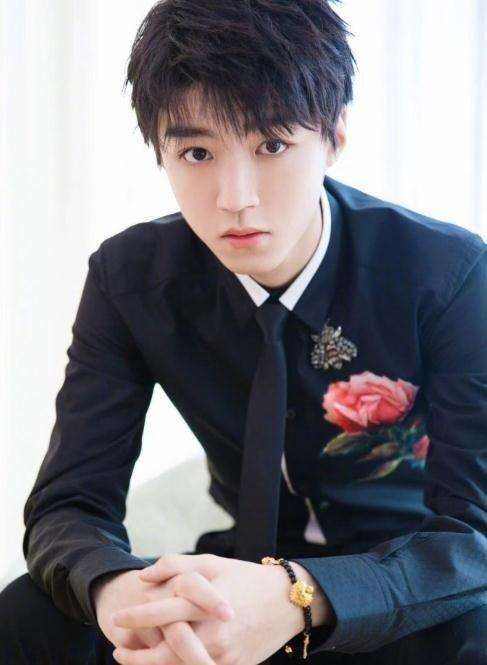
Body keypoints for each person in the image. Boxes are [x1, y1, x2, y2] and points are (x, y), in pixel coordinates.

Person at [2, 1, 487, 663]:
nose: (235, 197)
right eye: (197, 152)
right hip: (234, 575)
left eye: (272, 146)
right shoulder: (129, 278)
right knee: (28, 613)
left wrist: (297, 596)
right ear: (161, 152)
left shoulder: (446, 271)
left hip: (400, 586)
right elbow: (68, 504)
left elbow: (471, 537)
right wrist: (118, 593)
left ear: (334, 135)